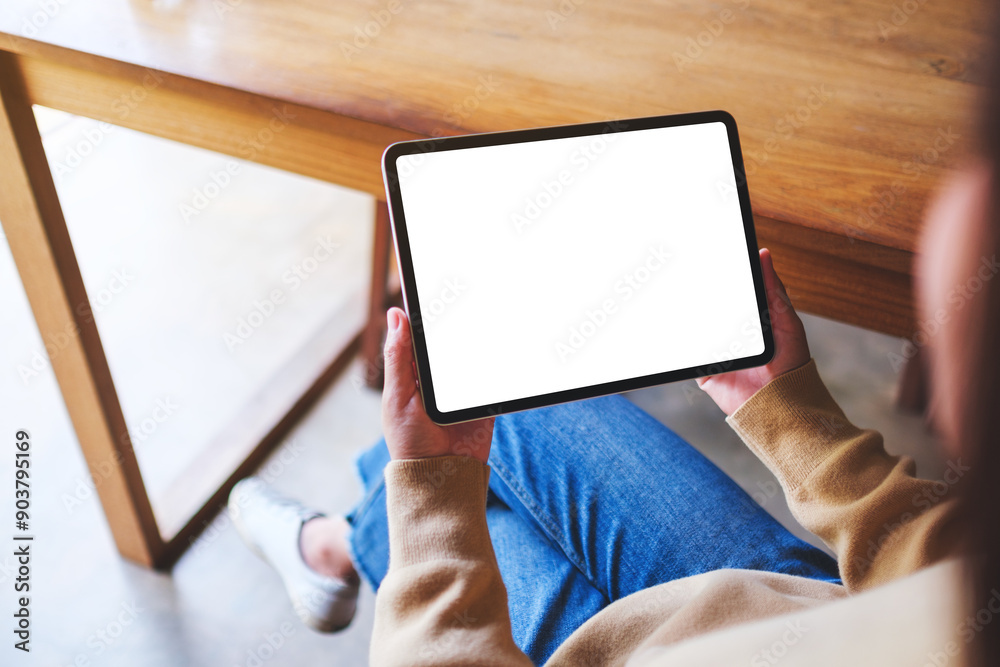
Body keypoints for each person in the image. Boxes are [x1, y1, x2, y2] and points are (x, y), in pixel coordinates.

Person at [227, 28, 999, 667]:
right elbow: (936, 577)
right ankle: (334, 542)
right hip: (808, 611)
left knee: (463, 436)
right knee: (512, 404)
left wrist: (430, 488)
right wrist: (798, 420)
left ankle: (333, 543)